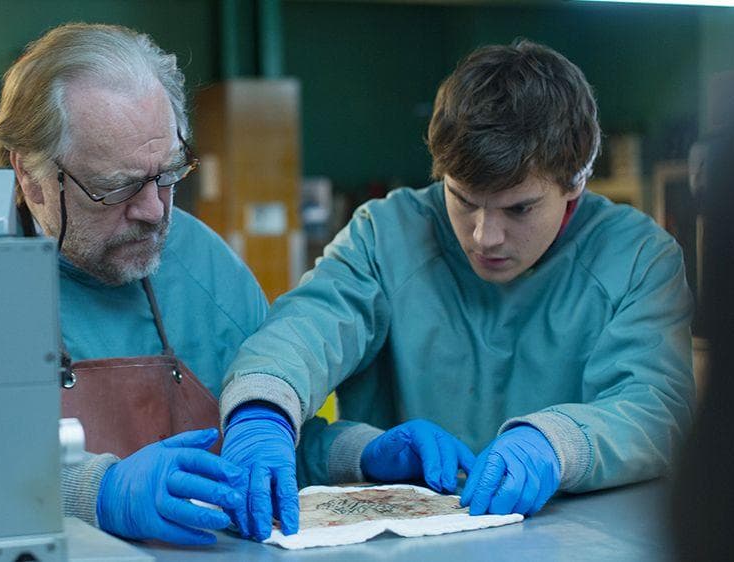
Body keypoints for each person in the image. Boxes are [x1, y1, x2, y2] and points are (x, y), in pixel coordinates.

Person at [217, 39, 695, 541]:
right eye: (464, 200)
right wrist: (261, 412)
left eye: (519, 209)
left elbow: (656, 408)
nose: (485, 236)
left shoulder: (637, 256)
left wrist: (559, 444)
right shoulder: (384, 235)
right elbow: (305, 329)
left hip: (577, 543)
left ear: (575, 180)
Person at [0, 23, 270, 546]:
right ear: (30, 175)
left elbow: (270, 439)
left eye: (167, 175)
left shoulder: (204, 262)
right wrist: (92, 491)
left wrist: (345, 451)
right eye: (116, 188)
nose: (153, 211)